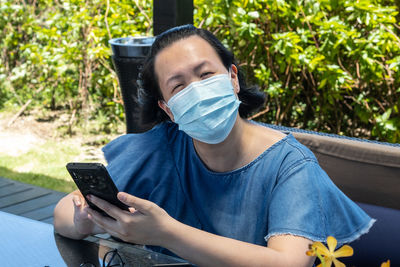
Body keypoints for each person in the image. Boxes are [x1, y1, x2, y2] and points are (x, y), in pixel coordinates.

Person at [54, 25, 374, 266]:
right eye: (178, 85)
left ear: (232, 78)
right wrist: (86, 219)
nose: (197, 90)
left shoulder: (289, 166)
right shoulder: (160, 149)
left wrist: (165, 232)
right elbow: (63, 214)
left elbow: (287, 263)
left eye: (206, 74)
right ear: (167, 108)